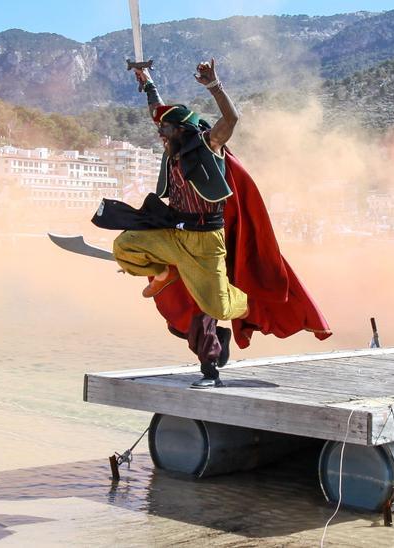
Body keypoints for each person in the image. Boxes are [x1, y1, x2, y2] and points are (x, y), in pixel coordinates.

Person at [91, 59, 330, 388]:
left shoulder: (207, 146)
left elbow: (232, 119)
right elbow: (156, 109)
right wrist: (147, 82)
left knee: (210, 307)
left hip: (206, 244)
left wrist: (214, 86)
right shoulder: (171, 146)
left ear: (182, 131)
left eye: (165, 131)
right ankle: (164, 272)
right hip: (175, 235)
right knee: (125, 246)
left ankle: (235, 331)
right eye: (160, 131)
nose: (160, 136)